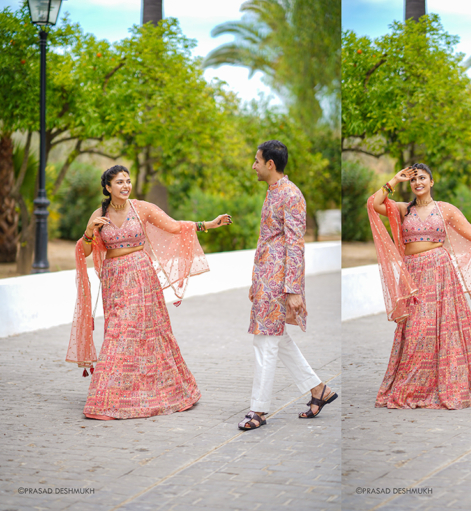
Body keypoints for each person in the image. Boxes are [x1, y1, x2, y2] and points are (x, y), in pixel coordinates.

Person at [67, 165, 231, 420]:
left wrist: (209, 224)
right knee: (118, 333)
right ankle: (111, 398)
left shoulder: (141, 208)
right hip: (115, 279)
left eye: (128, 181)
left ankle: (152, 394)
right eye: (119, 182)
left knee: (142, 334)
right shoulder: (99, 214)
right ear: (108, 187)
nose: (125, 186)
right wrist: (89, 232)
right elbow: (86, 252)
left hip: (142, 278)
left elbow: (174, 227)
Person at [367, 163, 471, 409]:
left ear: (432, 182)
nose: (417, 182)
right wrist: (394, 180)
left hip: (440, 274)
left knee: (444, 331)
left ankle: (444, 384)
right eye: (413, 179)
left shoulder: (445, 210)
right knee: (416, 332)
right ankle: (414, 386)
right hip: (413, 277)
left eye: (422, 178)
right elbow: (374, 204)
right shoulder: (402, 209)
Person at [238, 140, 335, 431]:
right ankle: (319, 390)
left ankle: (259, 410)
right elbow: (267, 240)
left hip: (279, 279)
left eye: (256, 161)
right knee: (276, 339)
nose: (253, 166)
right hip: (267, 278)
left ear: (270, 164)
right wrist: (256, 280)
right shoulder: (273, 192)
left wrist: (292, 289)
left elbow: (295, 243)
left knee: (265, 342)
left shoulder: (291, 195)